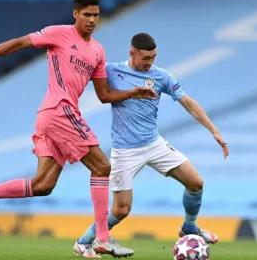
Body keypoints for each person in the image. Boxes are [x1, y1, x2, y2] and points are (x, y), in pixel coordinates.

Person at [0, 0, 156, 257]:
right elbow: (19, 43)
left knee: (43, 185)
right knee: (102, 166)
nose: (92, 20)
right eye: (87, 15)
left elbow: (104, 95)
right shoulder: (59, 33)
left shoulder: (97, 51)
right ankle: (102, 238)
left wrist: (133, 92)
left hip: (54, 116)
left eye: (95, 15)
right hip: (59, 110)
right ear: (76, 14)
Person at [73, 33, 229, 258]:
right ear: (132, 53)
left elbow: (187, 102)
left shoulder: (160, 76)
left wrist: (214, 131)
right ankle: (83, 242)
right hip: (125, 151)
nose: (149, 63)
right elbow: (80, 76)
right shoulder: (112, 71)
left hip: (154, 144)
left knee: (195, 183)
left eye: (153, 57)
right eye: (145, 58)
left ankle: (189, 227)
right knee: (121, 210)